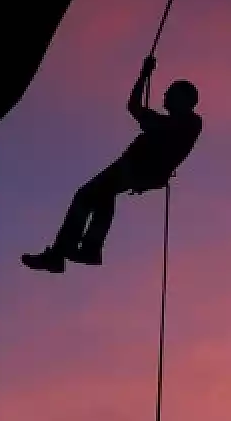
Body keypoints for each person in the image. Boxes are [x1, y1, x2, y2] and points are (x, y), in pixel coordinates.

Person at [22, 56, 202, 273]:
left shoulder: (191, 122)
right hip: (134, 168)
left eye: (170, 91)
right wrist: (143, 76)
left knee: (87, 195)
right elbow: (134, 107)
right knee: (102, 195)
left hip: (139, 169)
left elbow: (161, 127)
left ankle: (68, 252)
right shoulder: (170, 122)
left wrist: (149, 121)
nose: (165, 95)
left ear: (184, 98)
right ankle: (86, 249)